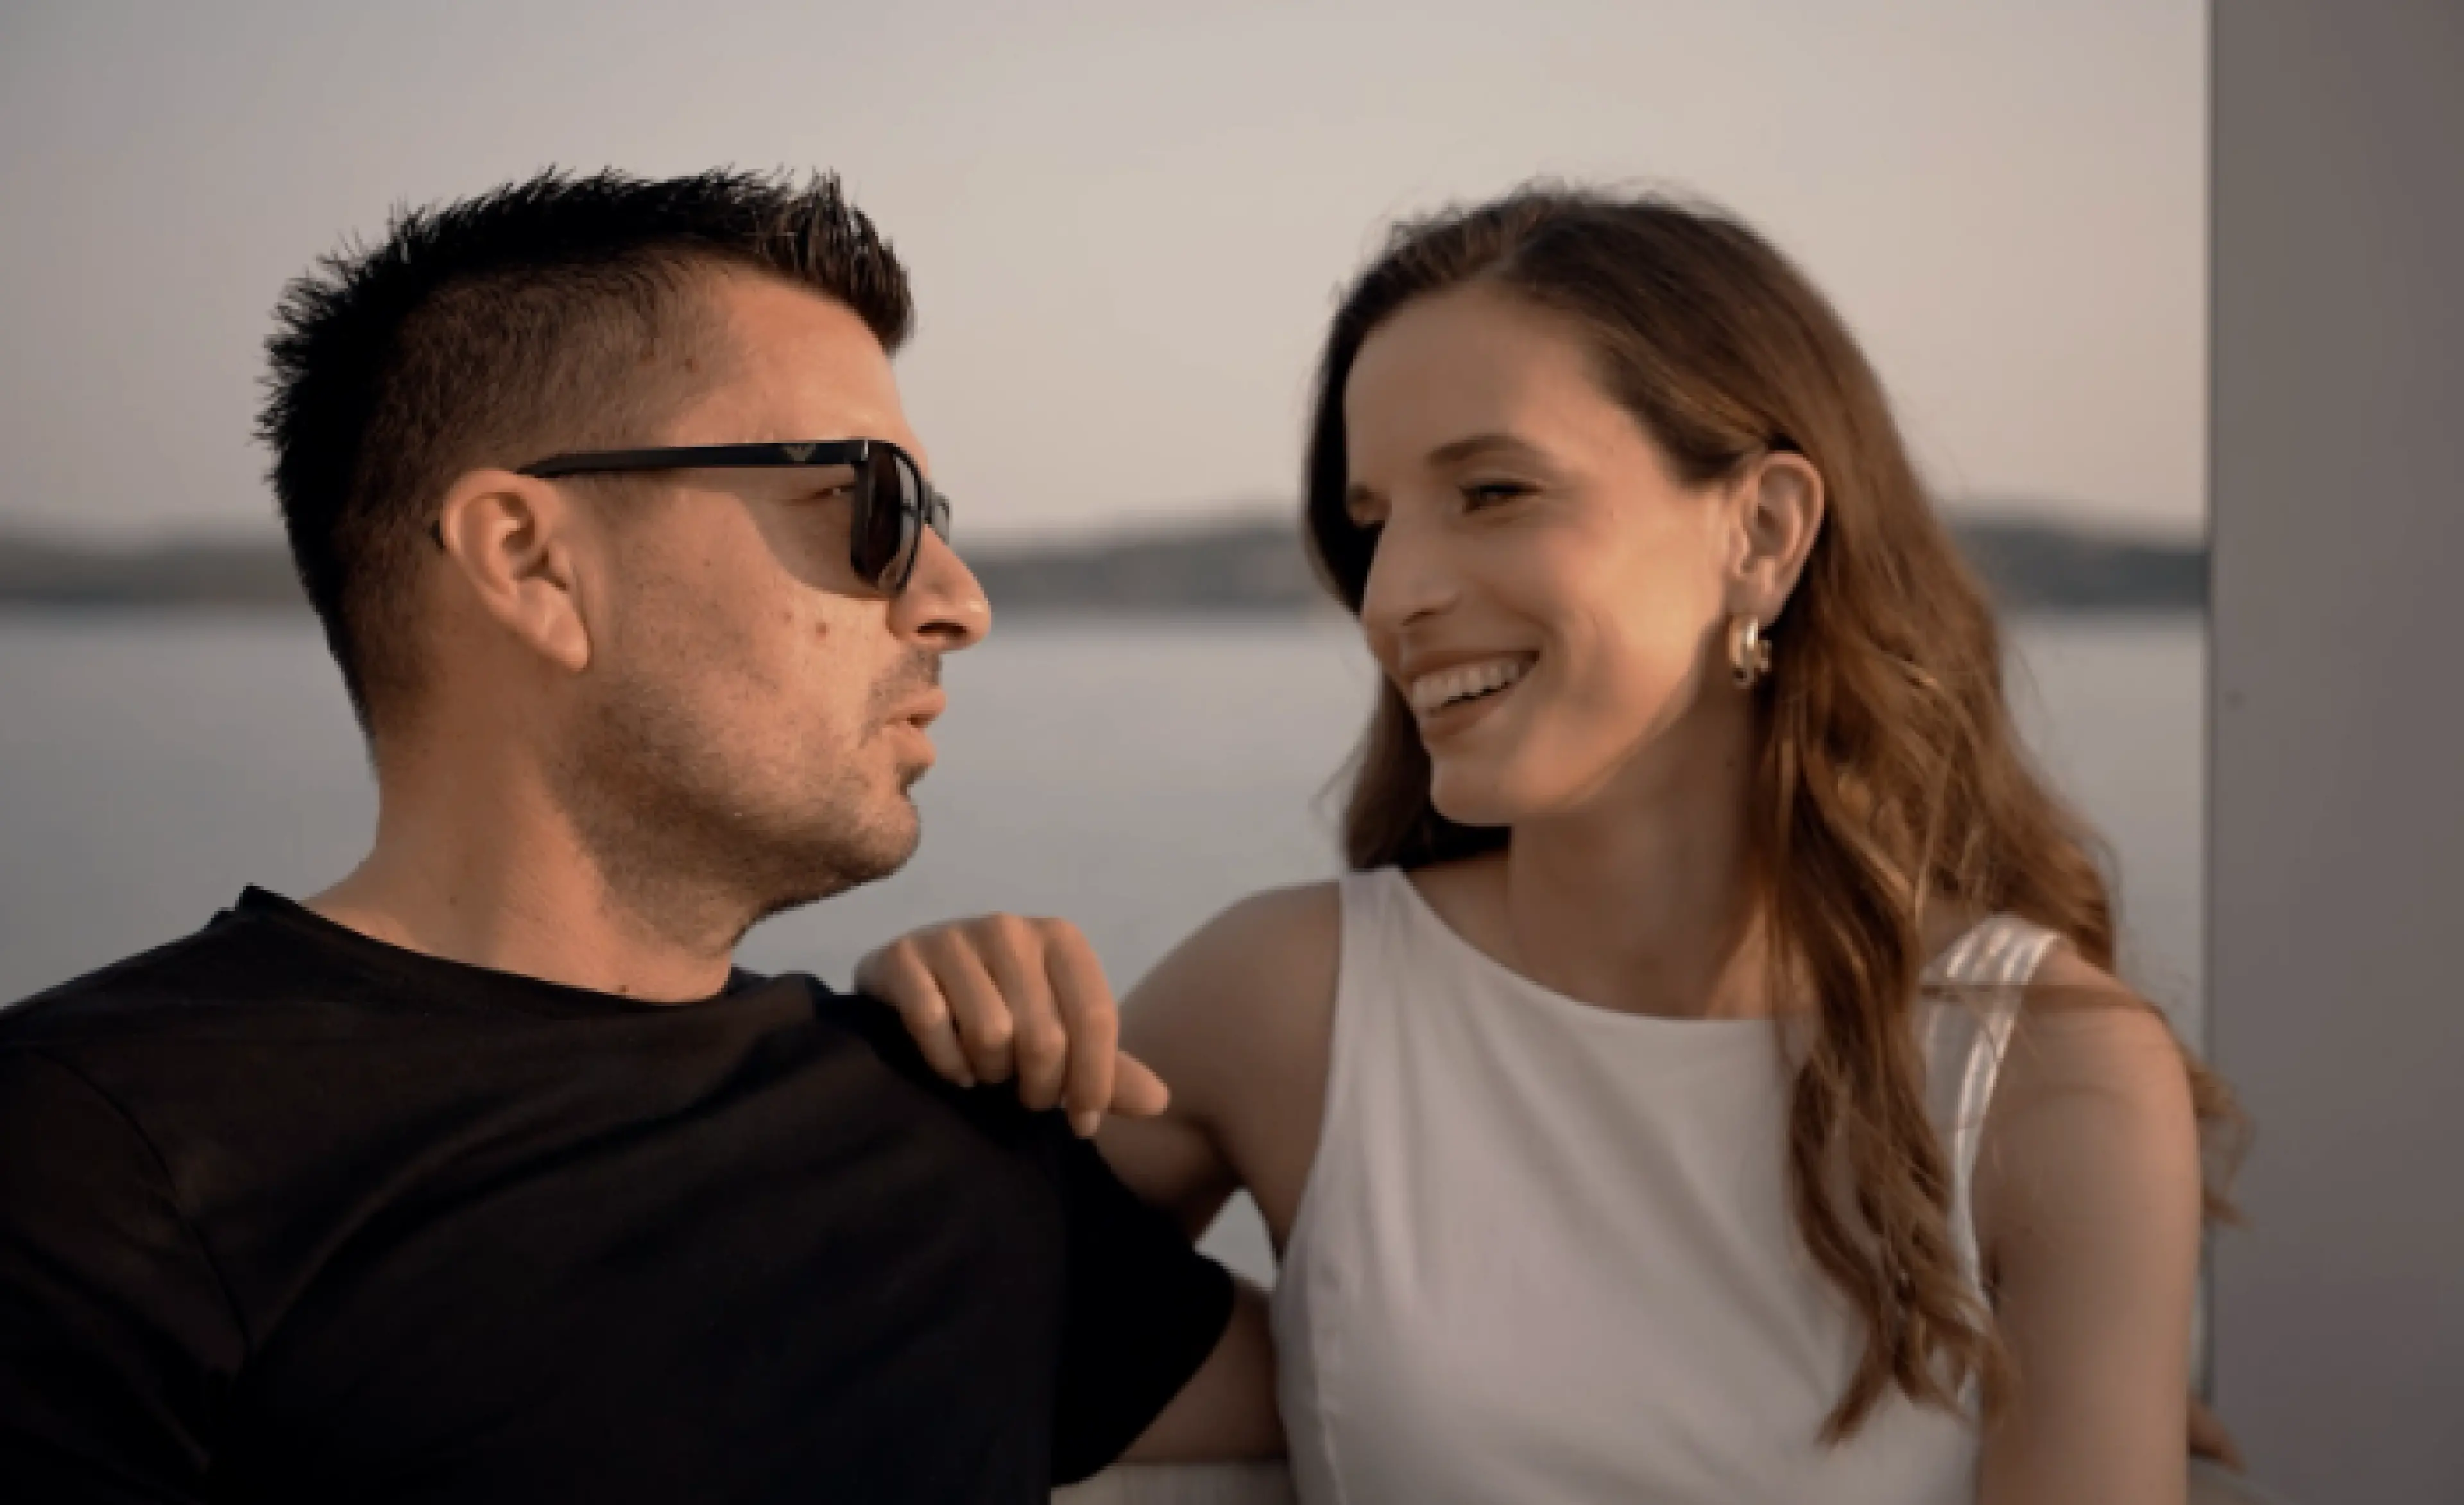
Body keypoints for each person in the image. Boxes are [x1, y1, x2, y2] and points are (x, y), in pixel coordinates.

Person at [860, 186, 2247, 1504]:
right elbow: (890, 1318)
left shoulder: (2044, 1076)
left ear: (1763, 533)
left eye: (1493, 492)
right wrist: (918, 1056)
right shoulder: (1292, 1006)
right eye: (1372, 524)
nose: (1394, 596)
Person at [0, 168, 1278, 1503]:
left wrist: (1280, 993)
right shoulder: (96, 1161)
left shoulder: (940, 1133)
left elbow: (1380, 1388)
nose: (958, 601)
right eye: (872, 506)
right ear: (532, 561)